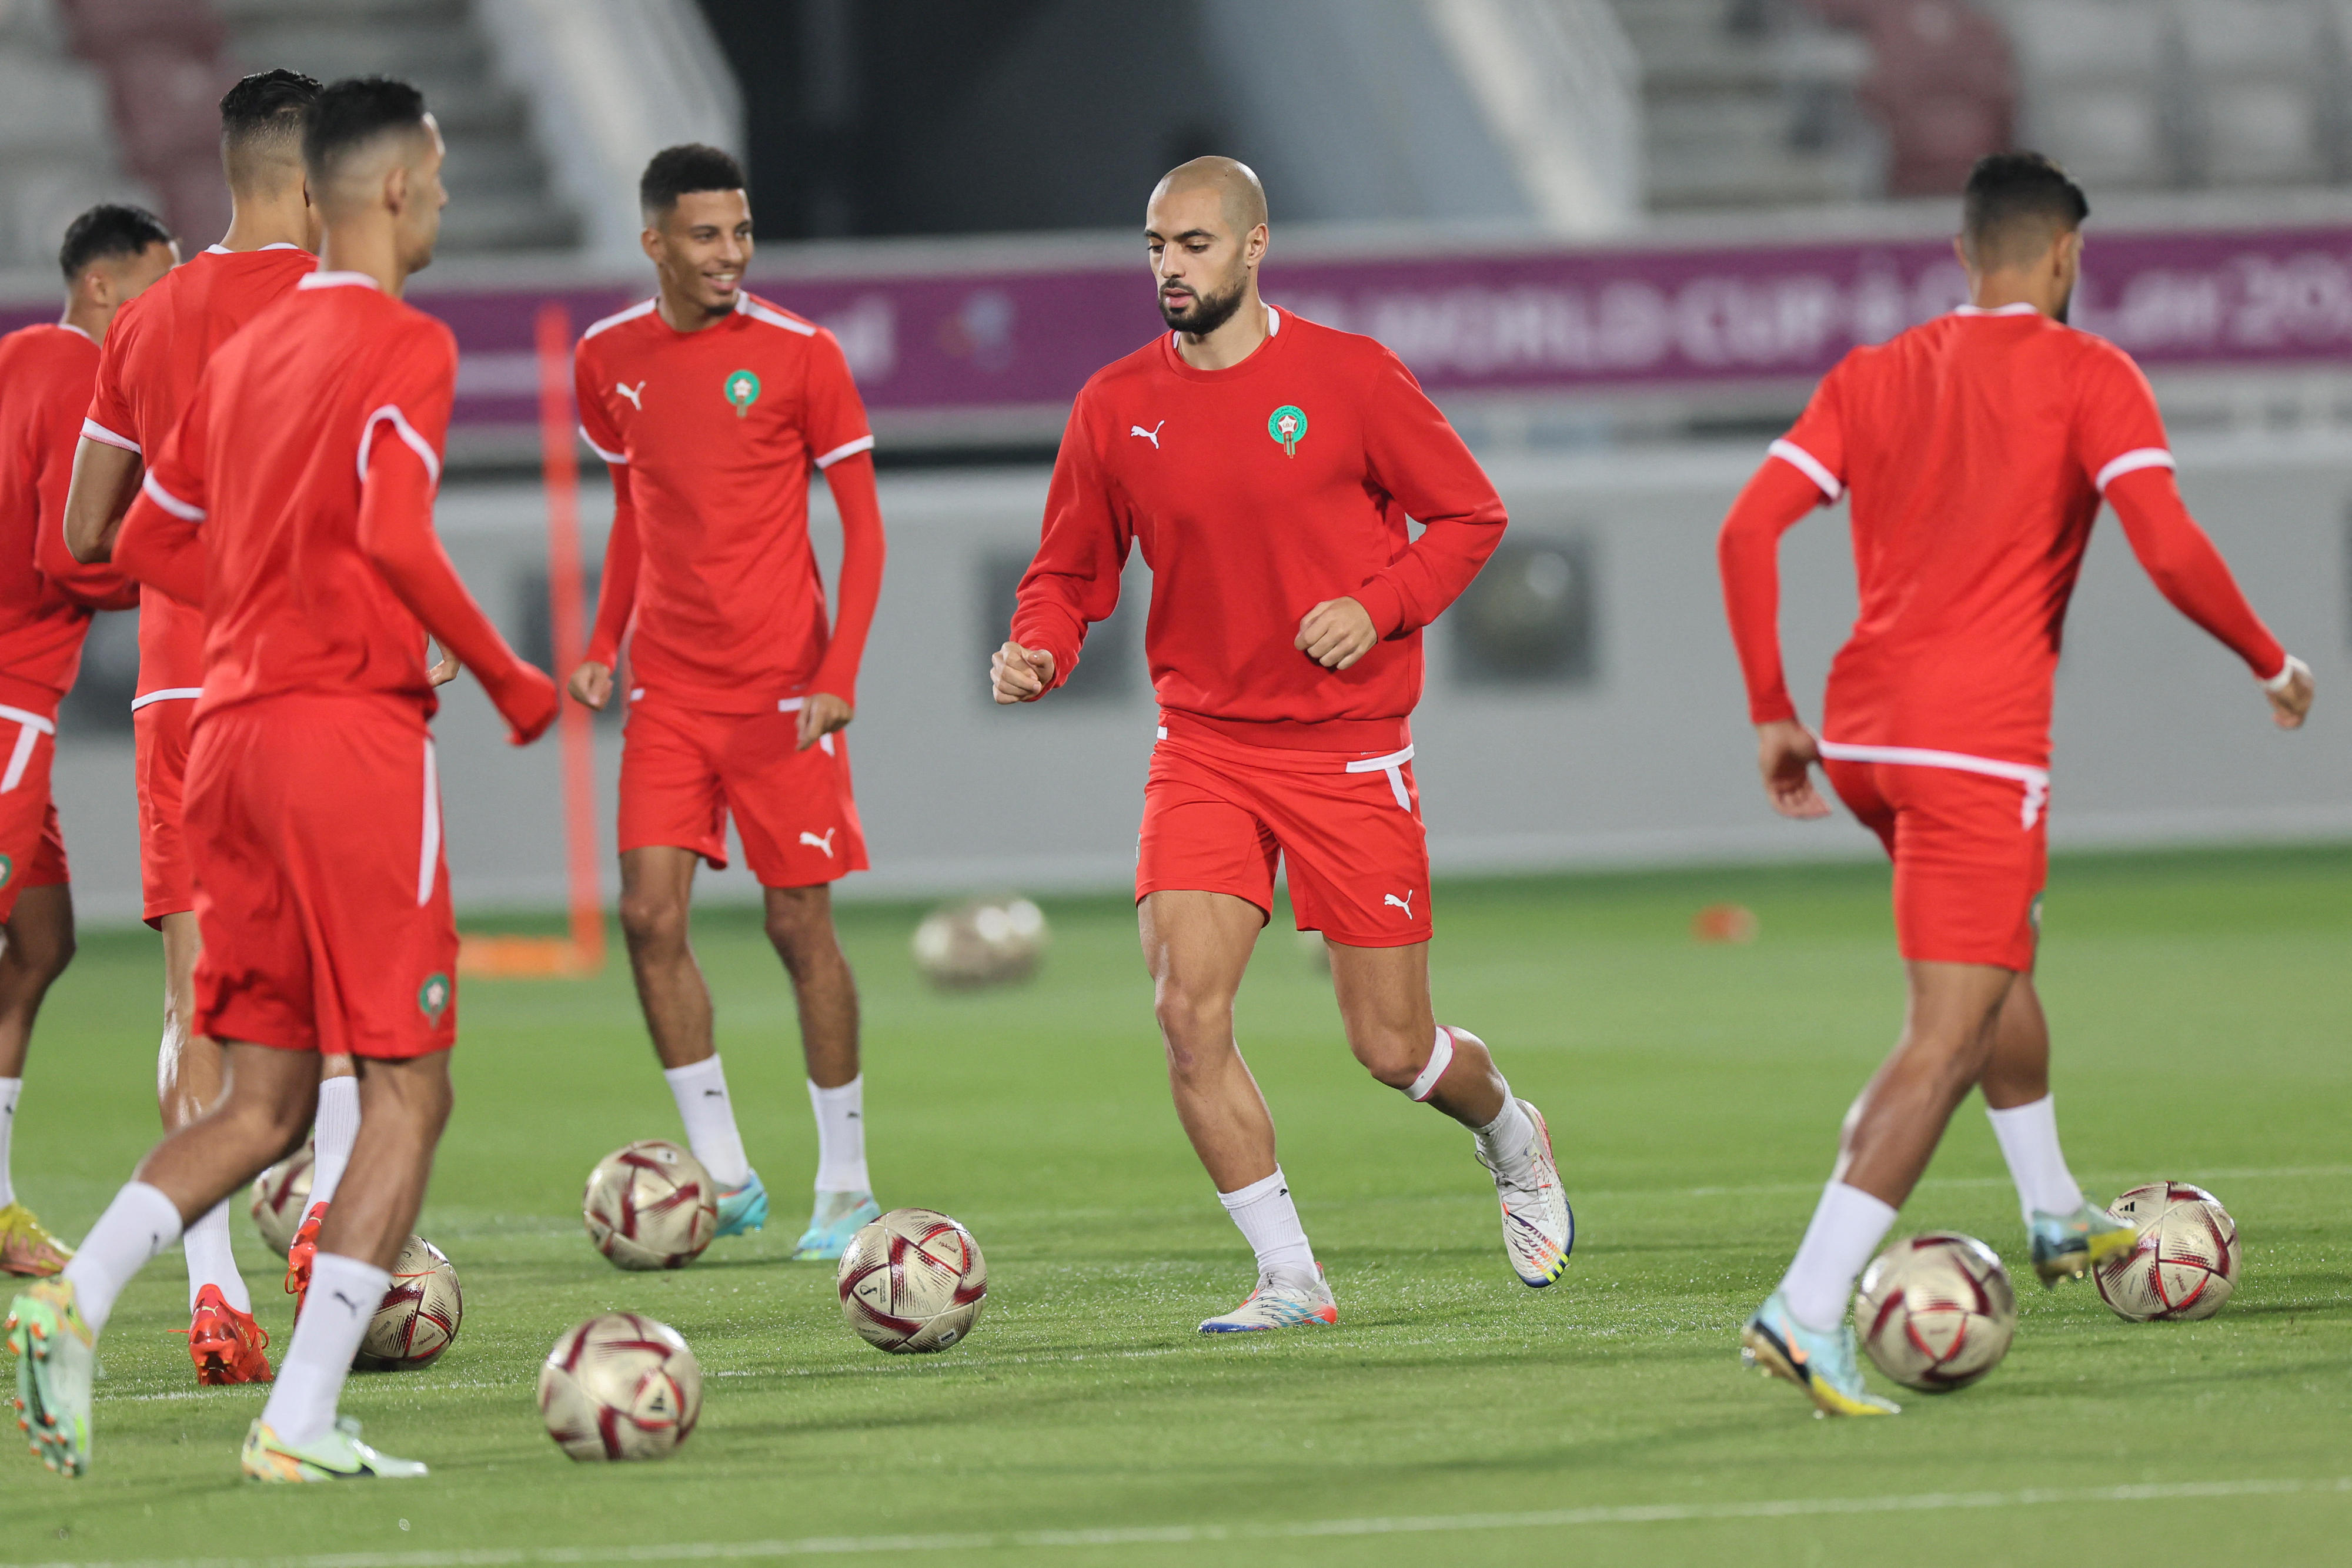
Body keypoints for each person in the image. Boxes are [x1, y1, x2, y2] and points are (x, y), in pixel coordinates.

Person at [8, 75, 557, 1483]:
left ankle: (72, 1298)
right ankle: (299, 1421)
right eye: (432, 178)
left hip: (224, 736)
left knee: (259, 1097)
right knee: (408, 1090)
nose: (440, 198)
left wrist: (256, 597)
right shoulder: (399, 342)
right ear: (383, 190)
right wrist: (500, 671)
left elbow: (134, 542)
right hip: (343, 738)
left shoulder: (226, 352)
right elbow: (393, 527)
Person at [1715, 152, 2314, 1417]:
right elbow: (2164, 542)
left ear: (1961, 255)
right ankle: (1805, 1306)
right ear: (2063, 258)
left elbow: (1744, 527)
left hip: (1866, 731)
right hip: (1975, 743)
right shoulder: (2089, 371)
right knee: (1939, 1036)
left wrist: (1773, 709)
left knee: (1996, 969)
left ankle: (2049, 1208)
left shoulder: (1871, 372)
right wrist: (2269, 656)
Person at [992, 157, 1571, 1333]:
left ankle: (1508, 1128)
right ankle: (1290, 1277)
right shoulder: (1113, 405)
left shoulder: (1350, 377)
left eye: (1193, 244)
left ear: (1254, 248)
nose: (1168, 267)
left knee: (1391, 1044)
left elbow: (1470, 514)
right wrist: (1037, 644)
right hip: (1202, 748)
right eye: (1155, 245)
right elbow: (1067, 569)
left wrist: (1382, 602)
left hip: (1348, 749)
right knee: (1184, 1012)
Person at [61, 71, 370, 1368]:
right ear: (308, 183)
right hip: (312, 689)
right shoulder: (347, 311)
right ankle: (325, 1235)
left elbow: (83, 532)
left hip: (182, 695)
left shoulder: (147, 321)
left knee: (199, 997)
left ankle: (210, 1290)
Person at [567, 144, 887, 1261]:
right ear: (654, 241)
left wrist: (840, 670)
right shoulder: (606, 359)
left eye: (742, 233)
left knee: (799, 925)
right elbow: (629, 512)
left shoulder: (802, 355)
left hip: (783, 696)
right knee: (648, 917)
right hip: (668, 690)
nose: (731, 254)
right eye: (707, 236)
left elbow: (865, 526)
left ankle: (844, 1183)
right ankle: (726, 1174)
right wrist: (603, 642)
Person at [0, 206, 174, 1279]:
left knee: (40, 944)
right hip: (7, 702)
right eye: (161, 284)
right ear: (107, 286)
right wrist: (186, 561)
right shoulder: (82, 380)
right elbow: (73, 556)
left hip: (23, 705)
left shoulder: (18, 355)